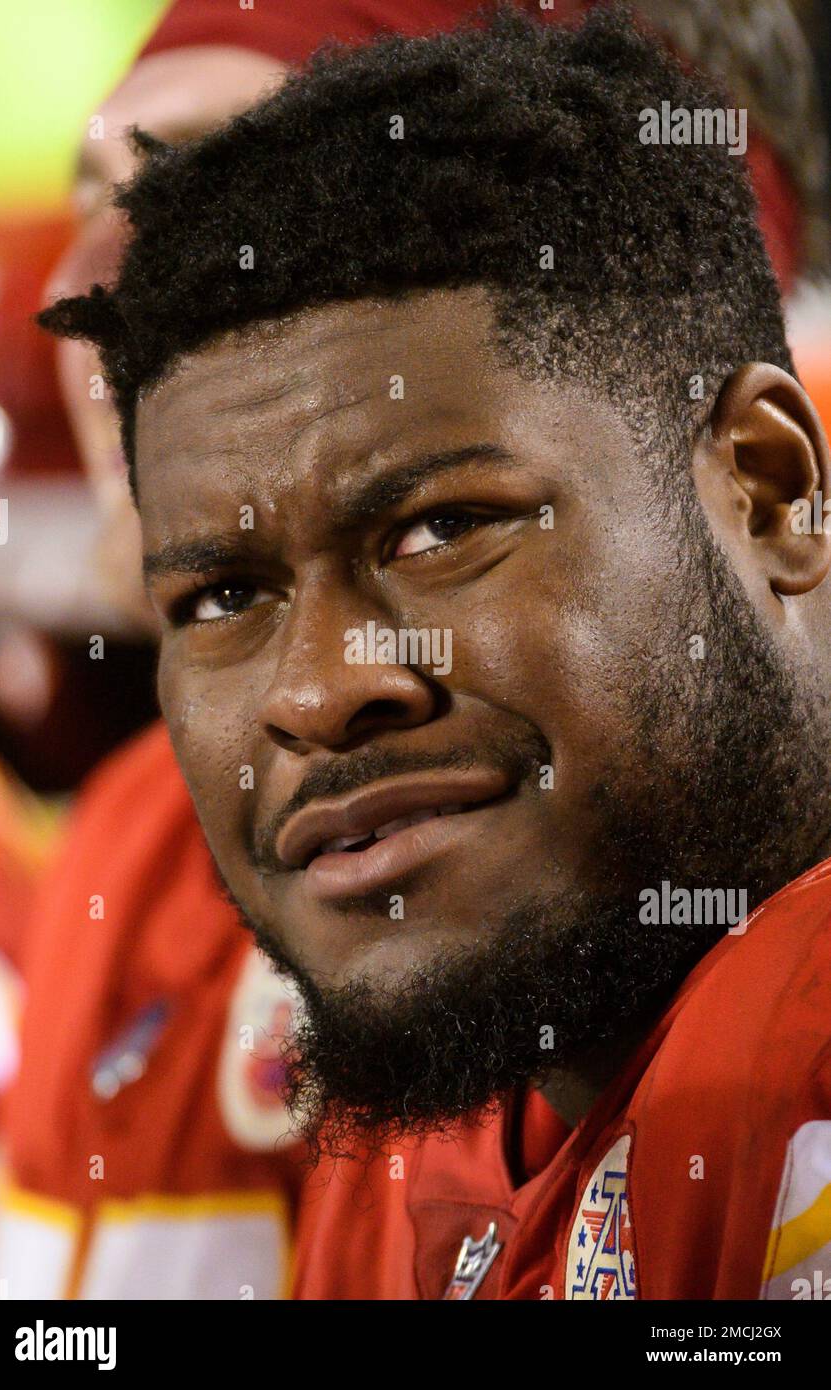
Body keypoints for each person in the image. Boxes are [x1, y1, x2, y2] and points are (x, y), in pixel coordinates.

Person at [41, 5, 831, 1301]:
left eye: (440, 527)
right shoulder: (468, 1076)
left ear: (763, 485)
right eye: (223, 594)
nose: (313, 689)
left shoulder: (778, 1050)